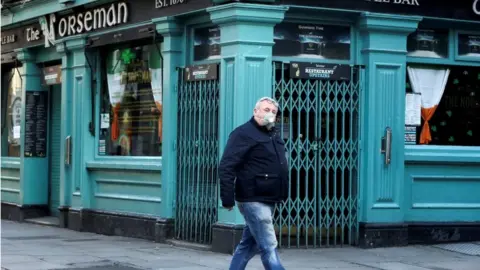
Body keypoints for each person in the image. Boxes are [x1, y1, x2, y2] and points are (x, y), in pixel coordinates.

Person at [218, 96, 289, 270]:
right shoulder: (243, 133)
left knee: (249, 245)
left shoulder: (273, 135)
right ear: (255, 111)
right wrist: (227, 199)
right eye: (266, 110)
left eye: (273, 111)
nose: (270, 114)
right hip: (252, 198)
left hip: (269, 197)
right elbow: (226, 166)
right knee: (269, 245)